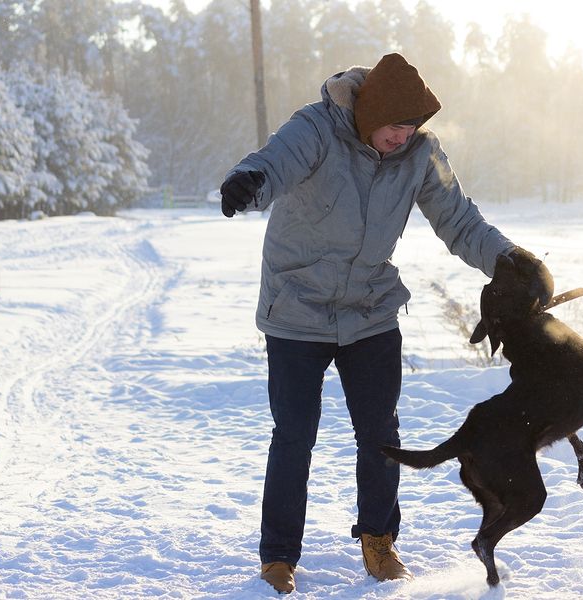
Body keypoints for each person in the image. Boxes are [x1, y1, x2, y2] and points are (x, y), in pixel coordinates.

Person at [219, 53, 553, 595]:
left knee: (379, 433)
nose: (402, 138)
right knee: (295, 435)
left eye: (411, 128)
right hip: (297, 309)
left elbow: (460, 220)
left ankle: (379, 539)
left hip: (370, 310)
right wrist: (248, 184)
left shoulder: (420, 154)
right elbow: (272, 164)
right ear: (369, 113)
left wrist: (510, 260)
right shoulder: (316, 128)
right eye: (394, 127)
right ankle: (278, 556)